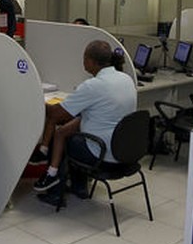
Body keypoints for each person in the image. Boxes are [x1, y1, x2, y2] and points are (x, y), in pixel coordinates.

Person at [32, 40, 136, 204]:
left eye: (84, 58)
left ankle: (54, 192)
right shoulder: (126, 79)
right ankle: (79, 187)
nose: (83, 62)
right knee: (69, 131)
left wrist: (37, 103)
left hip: (102, 153)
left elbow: (57, 114)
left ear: (91, 61)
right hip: (125, 150)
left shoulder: (93, 86)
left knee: (63, 138)